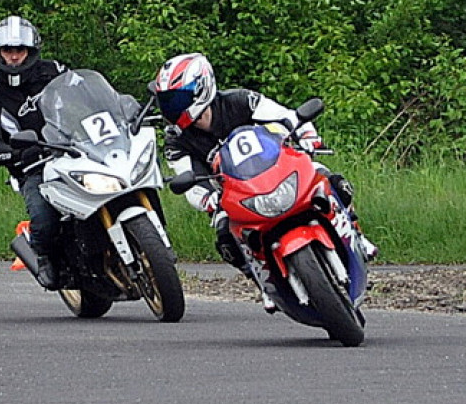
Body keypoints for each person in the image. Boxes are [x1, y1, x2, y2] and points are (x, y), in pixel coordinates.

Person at [153, 52, 377, 311]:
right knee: (225, 237)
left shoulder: (240, 100)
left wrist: (307, 137)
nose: (172, 108)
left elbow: (286, 117)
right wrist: (208, 200)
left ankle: (357, 234)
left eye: (177, 99)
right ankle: (263, 282)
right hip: (234, 195)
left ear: (201, 87)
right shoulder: (175, 140)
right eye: (167, 102)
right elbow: (187, 180)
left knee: (331, 180)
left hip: (281, 169)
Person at [0, 15, 68, 289]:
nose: (13, 57)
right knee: (44, 219)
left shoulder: (55, 72)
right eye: (7, 51)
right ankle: (43, 255)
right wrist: (14, 154)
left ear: (31, 51)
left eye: (19, 50)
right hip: (32, 165)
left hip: (75, 151)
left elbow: (87, 99)